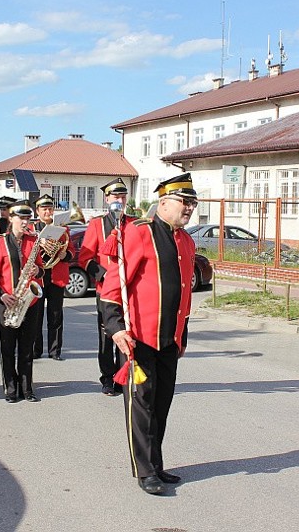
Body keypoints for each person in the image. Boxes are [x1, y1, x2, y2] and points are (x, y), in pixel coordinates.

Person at [101, 172, 197, 495]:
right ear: (164, 202)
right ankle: (144, 471)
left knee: (161, 404)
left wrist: (182, 334)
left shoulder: (186, 240)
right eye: (185, 202)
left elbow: (184, 292)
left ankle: (156, 464)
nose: (190, 209)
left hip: (169, 340)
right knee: (141, 405)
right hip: (139, 338)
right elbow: (113, 287)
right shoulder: (139, 233)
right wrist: (114, 328)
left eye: (193, 203)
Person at [78, 177, 136, 396]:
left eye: (122, 196)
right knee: (106, 337)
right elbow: (85, 258)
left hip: (130, 292)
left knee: (128, 334)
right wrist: (104, 277)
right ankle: (107, 378)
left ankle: (125, 376)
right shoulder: (96, 224)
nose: (119, 200)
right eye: (115, 196)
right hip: (106, 292)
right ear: (107, 198)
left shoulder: (133, 223)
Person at [0, 201, 43, 403]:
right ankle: (11, 388)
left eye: (28, 218)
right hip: (8, 301)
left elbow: (41, 267)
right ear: (11, 219)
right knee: (8, 348)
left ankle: (27, 388)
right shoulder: (0, 241)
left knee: (27, 348)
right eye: (21, 218)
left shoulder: (33, 240)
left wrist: (38, 270)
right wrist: (1, 295)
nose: (25, 222)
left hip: (30, 302)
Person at [32, 194, 73, 360]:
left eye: (50, 208)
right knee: (36, 315)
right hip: (39, 277)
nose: (48, 211)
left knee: (55, 315)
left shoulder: (63, 229)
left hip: (57, 275)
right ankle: (36, 349)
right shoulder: (32, 229)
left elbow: (70, 250)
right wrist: (39, 242)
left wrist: (64, 254)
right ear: (38, 211)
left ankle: (55, 351)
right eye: (44, 209)